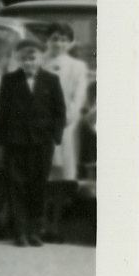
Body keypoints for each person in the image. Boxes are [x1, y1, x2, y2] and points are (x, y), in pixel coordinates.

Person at [0, 36, 69, 247]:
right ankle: (20, 232)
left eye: (32, 58)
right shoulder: (9, 80)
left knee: (38, 186)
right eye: (24, 59)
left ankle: (35, 231)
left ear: (40, 59)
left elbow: (59, 111)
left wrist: (55, 137)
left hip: (42, 143)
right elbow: (0, 112)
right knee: (16, 187)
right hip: (14, 143)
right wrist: (2, 139)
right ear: (18, 59)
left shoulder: (51, 80)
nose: (28, 63)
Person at [42, 25, 91, 238]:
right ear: (47, 40)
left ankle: (57, 224)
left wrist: (66, 118)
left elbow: (79, 96)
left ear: (70, 43)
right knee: (42, 173)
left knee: (61, 176)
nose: (58, 43)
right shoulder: (39, 62)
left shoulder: (78, 66)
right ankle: (41, 223)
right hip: (40, 125)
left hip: (65, 126)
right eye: (54, 38)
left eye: (63, 39)